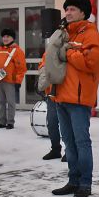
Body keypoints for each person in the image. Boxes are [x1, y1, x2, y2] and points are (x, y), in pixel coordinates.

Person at [50, 0, 99, 197]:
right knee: (68, 142)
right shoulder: (62, 33)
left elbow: (92, 63)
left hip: (79, 99)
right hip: (61, 96)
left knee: (81, 142)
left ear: (83, 12)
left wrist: (68, 53)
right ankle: (73, 180)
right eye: (67, 9)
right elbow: (50, 57)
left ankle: (85, 183)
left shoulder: (92, 35)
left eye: (72, 9)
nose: (68, 12)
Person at [38, 10, 64, 161]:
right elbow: (43, 63)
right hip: (51, 93)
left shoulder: (66, 47)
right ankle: (55, 149)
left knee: (66, 125)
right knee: (52, 123)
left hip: (64, 92)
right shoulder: (49, 49)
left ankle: (70, 151)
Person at [0, 28, 26, 129]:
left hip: (10, 81)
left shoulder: (17, 51)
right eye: (3, 36)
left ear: (13, 38)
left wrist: (18, 81)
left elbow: (21, 68)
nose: (5, 38)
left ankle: (10, 122)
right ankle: (2, 121)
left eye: (8, 36)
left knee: (11, 102)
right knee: (1, 102)